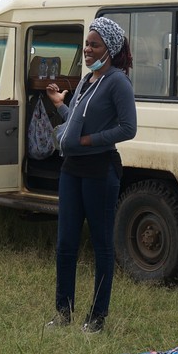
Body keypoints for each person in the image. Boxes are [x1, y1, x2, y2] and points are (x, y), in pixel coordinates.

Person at [44, 17, 137, 333]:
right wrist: (61, 105)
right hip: (72, 170)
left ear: (108, 49)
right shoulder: (85, 81)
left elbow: (128, 128)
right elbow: (76, 123)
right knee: (66, 244)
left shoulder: (118, 82)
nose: (87, 49)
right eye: (86, 44)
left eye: (94, 45)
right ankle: (63, 314)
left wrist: (87, 142)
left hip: (100, 171)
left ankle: (97, 318)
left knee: (101, 246)